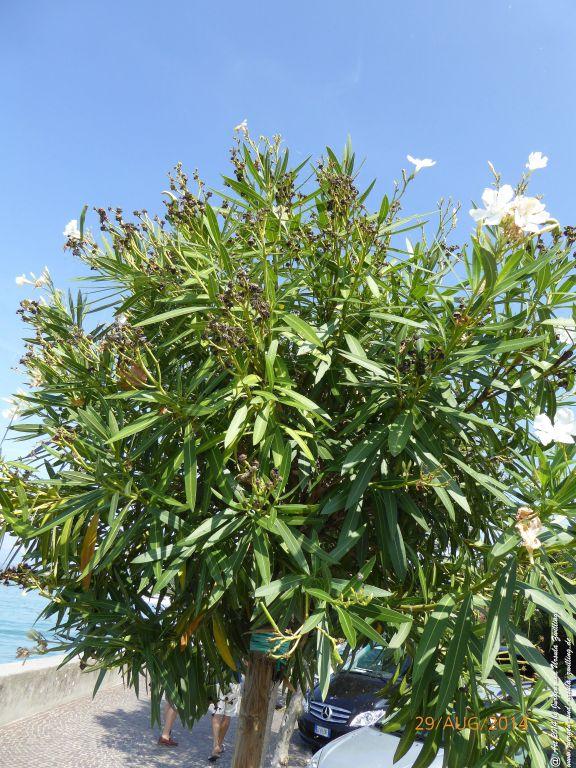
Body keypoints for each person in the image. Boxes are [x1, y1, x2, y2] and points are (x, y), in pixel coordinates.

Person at [208, 676, 242, 762]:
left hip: (219, 681)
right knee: (227, 716)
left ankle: (216, 745)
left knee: (217, 713)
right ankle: (219, 745)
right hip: (235, 683)